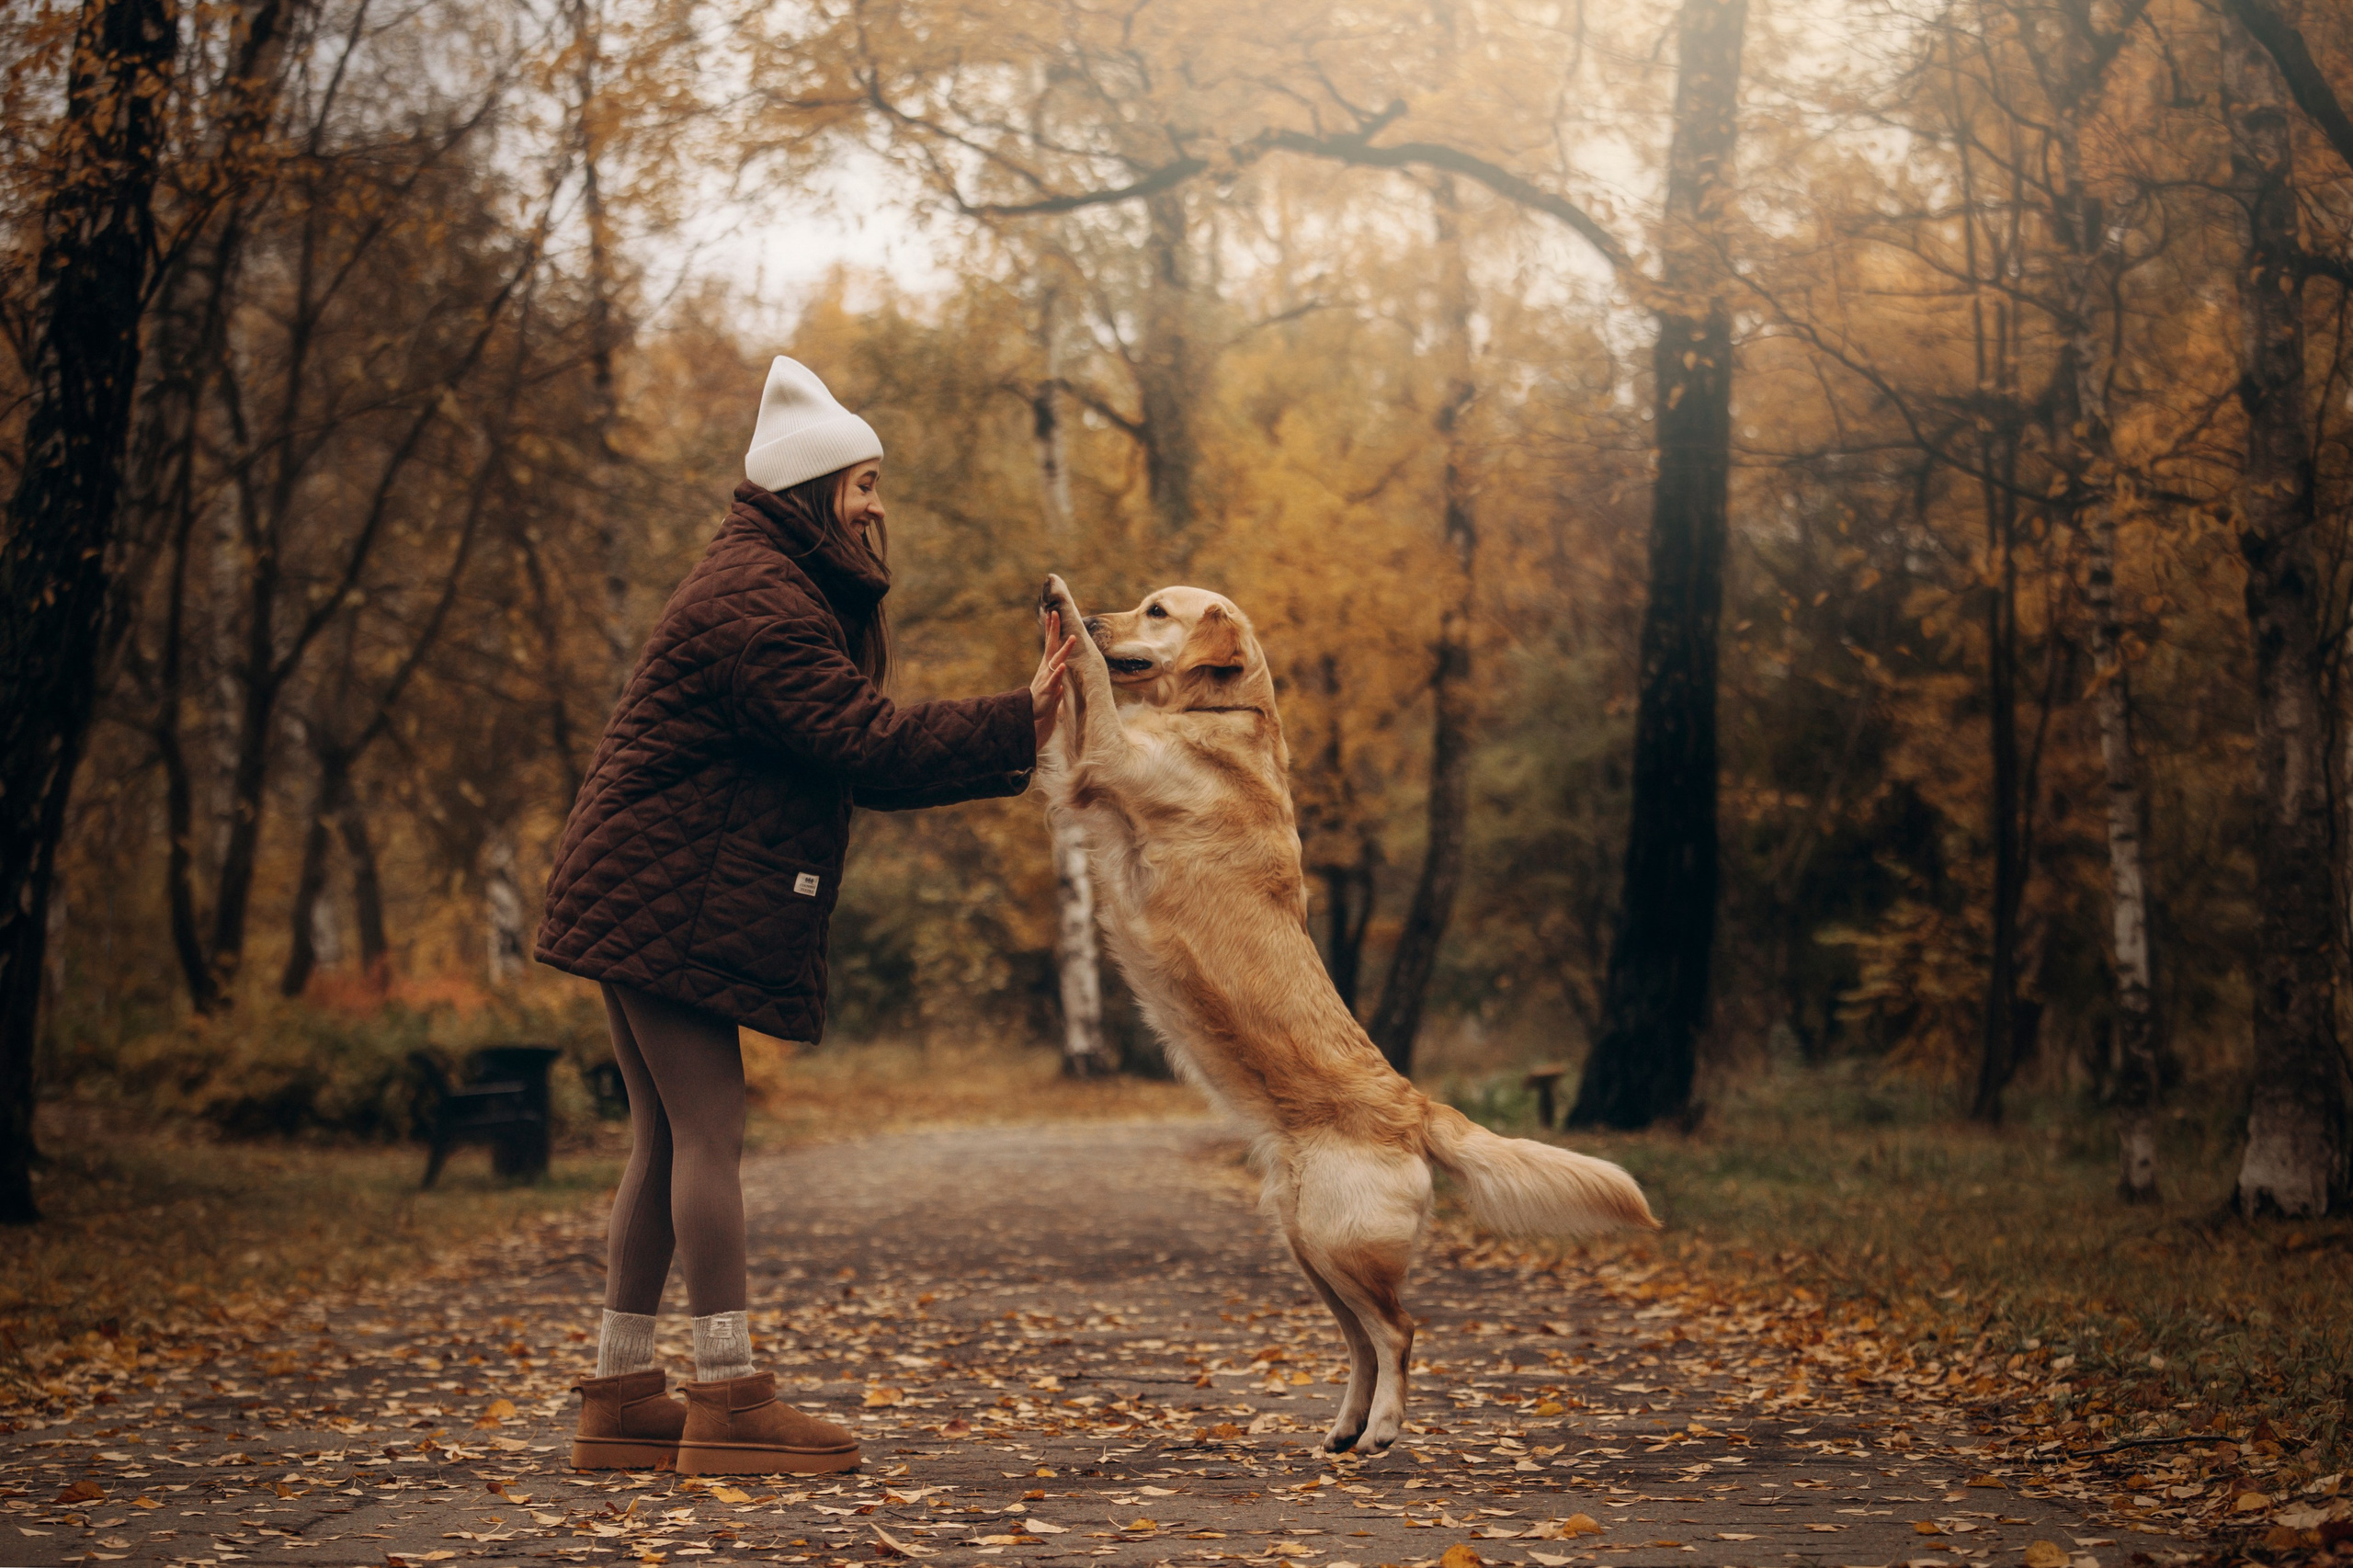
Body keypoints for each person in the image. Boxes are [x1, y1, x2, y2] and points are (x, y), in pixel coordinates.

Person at [536, 356, 1076, 1477]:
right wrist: (1018, 718)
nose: (877, 505)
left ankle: (622, 1398)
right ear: (816, 485)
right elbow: (866, 743)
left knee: (664, 1136)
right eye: (864, 483)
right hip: (665, 889)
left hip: (638, 879)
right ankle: (728, 1400)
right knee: (707, 1134)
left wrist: (1008, 729)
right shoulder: (762, 605)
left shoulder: (761, 580)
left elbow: (844, 748)